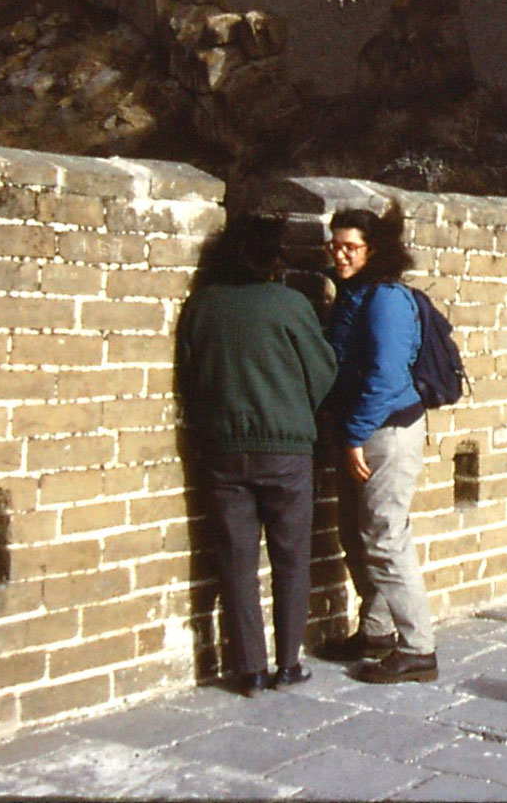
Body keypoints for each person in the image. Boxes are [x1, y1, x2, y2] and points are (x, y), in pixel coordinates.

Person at [175, 214, 338, 696]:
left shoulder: (202, 307)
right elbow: (323, 373)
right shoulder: (291, 305)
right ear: (275, 259)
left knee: (236, 563)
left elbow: (189, 376)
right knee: (291, 559)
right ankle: (288, 663)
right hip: (287, 452)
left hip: (224, 451)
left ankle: (249, 669)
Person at [321, 205, 439, 683]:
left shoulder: (386, 300)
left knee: (385, 537)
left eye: (352, 247)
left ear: (374, 251)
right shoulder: (354, 294)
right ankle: (375, 632)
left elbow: (387, 377)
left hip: (386, 432)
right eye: (336, 244)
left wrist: (352, 437)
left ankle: (419, 648)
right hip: (362, 428)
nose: (341, 254)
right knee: (355, 532)